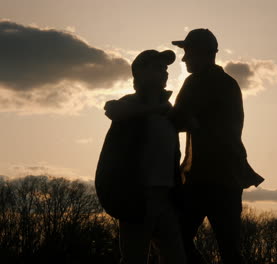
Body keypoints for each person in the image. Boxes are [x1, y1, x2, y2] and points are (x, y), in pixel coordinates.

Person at [170, 28, 264, 264]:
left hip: (203, 178)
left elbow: (177, 119)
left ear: (202, 53)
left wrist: (143, 108)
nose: (184, 59)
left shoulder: (196, 82)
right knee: (229, 250)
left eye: (188, 53)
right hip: (228, 178)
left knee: (175, 241)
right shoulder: (229, 83)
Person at [95, 49, 186, 264]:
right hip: (136, 197)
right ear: (140, 73)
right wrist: (156, 109)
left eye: (165, 69)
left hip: (166, 199)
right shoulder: (130, 105)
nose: (164, 73)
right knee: (134, 259)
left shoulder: (169, 113)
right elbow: (113, 109)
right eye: (157, 68)